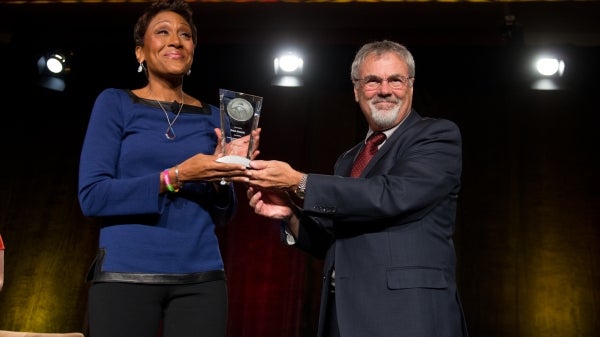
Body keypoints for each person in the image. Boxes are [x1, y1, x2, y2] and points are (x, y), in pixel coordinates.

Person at [245, 40, 468, 337]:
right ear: (356, 90)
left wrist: (299, 182)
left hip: (409, 314)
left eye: (395, 80)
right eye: (373, 81)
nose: (385, 90)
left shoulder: (436, 136)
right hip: (345, 316)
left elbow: (390, 196)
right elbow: (336, 243)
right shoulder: (349, 159)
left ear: (411, 86)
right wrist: (291, 215)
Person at [78, 1, 258, 337]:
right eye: (162, 32)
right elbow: (93, 197)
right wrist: (175, 177)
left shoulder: (214, 118)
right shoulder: (115, 103)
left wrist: (223, 174)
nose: (176, 40)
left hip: (201, 278)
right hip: (126, 274)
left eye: (185, 35)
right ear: (140, 52)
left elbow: (223, 214)